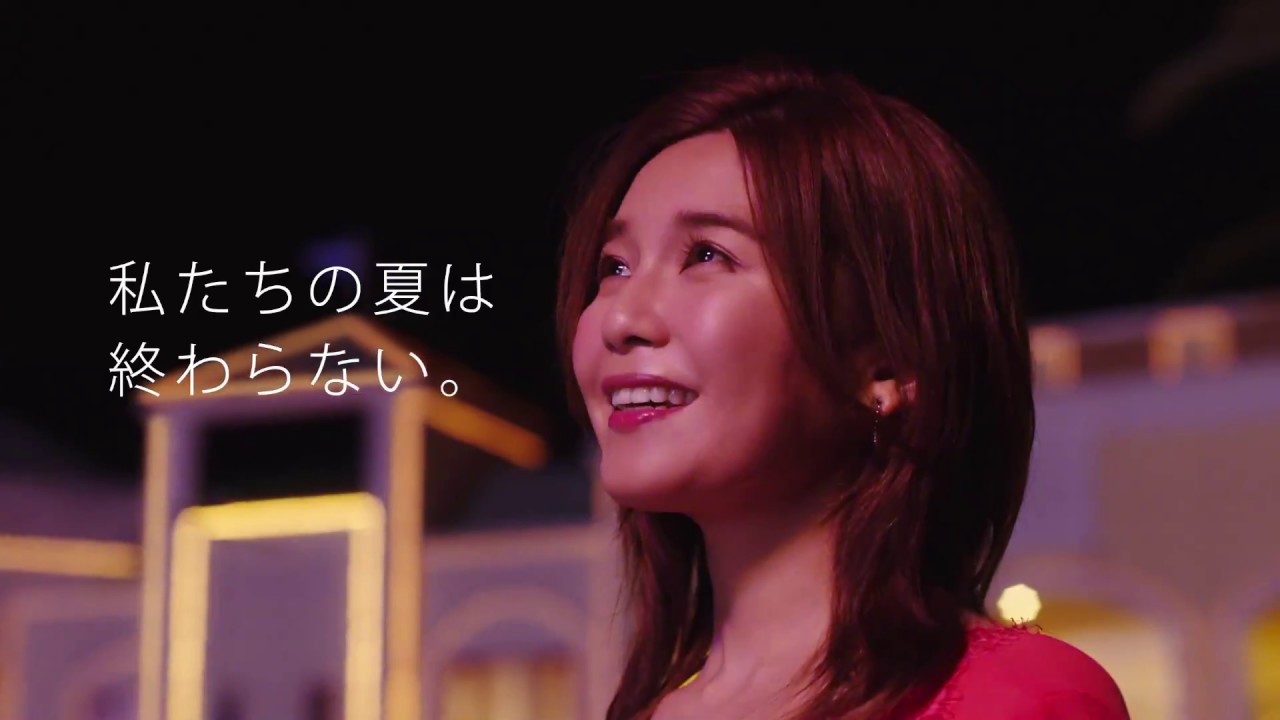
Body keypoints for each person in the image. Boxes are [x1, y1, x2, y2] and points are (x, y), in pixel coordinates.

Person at [555, 55, 1130, 720]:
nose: (619, 319)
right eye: (615, 266)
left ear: (888, 363)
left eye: (707, 255)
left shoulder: (1021, 700)